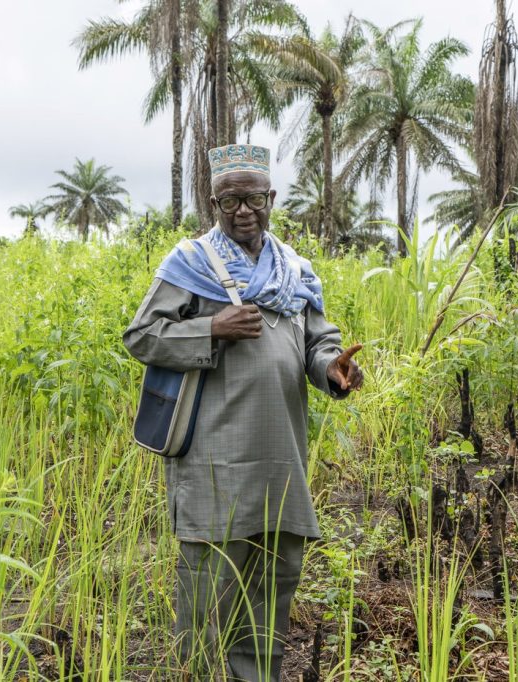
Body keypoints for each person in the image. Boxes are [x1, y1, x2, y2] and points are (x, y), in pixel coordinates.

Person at [123, 143, 363, 681]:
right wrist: (213, 327)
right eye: (230, 202)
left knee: (274, 577)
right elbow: (142, 336)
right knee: (212, 580)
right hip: (214, 454)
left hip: (280, 454)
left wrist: (332, 370)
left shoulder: (295, 270)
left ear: (271, 197)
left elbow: (319, 341)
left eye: (253, 198)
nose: (243, 211)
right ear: (214, 203)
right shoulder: (190, 264)